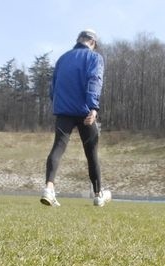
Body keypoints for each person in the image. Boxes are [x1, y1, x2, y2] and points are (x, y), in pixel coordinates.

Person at [40, 29, 111, 207]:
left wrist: (59, 104)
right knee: (92, 152)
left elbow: (53, 87)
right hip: (84, 111)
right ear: (93, 43)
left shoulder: (62, 59)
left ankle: (49, 189)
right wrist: (93, 107)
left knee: (58, 147)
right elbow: (94, 80)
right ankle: (98, 194)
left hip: (64, 111)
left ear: (79, 40)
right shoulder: (95, 58)